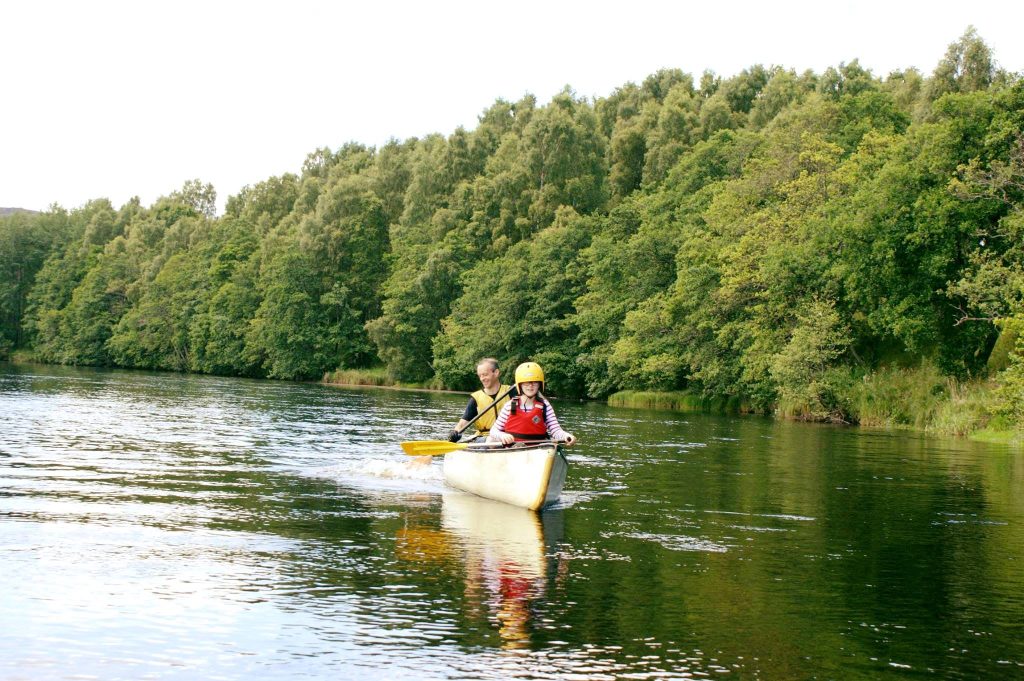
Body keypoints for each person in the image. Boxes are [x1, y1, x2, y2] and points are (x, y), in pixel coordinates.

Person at [488, 362, 576, 446]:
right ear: (520, 385)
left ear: (540, 384)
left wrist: (566, 436)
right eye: (526, 383)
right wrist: (502, 435)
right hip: (512, 448)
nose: (530, 386)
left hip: (537, 449)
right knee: (490, 439)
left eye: (535, 382)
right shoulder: (510, 406)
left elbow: (555, 430)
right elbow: (494, 431)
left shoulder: (545, 406)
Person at [447, 358, 516, 442]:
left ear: (496, 373)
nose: (482, 378)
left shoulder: (511, 392)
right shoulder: (476, 398)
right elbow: (462, 423)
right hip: (484, 438)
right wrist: (455, 433)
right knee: (492, 440)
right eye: (480, 376)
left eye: (485, 374)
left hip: (508, 436)